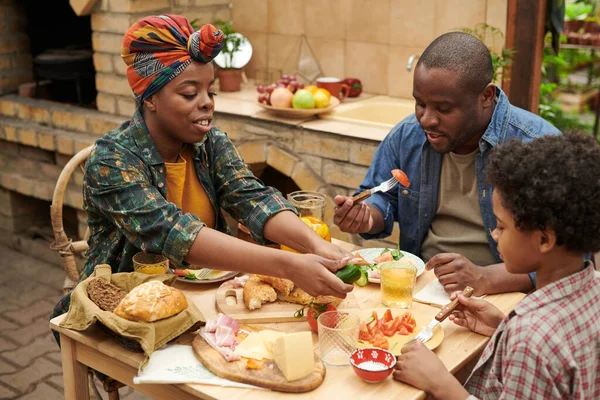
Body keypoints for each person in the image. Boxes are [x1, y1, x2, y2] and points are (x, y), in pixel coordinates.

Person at [51, 15, 353, 321]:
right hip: (124, 311)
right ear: (151, 98)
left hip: (204, 297)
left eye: (211, 91)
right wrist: (288, 265)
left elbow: (251, 196)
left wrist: (314, 244)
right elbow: (175, 232)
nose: (207, 103)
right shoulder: (112, 161)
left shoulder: (210, 144)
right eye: (189, 93)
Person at [333, 32, 560, 296]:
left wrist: (486, 278)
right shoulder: (407, 136)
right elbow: (383, 198)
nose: (427, 120)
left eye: (443, 109)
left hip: (505, 295)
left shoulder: (537, 147)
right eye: (420, 103)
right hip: (422, 288)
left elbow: (571, 255)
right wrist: (367, 216)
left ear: (486, 96)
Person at [393, 132, 600, 399]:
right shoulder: (593, 287)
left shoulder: (532, 338)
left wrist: (439, 382)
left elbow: (539, 349)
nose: (494, 234)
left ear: (545, 239)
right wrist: (501, 329)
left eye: (502, 226)